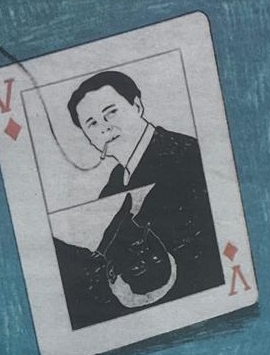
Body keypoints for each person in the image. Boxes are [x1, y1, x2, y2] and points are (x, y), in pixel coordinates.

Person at [54, 71, 223, 325]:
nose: (105, 127)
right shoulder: (115, 181)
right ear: (88, 138)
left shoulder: (186, 155)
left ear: (137, 106)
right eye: (92, 124)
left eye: (111, 112)